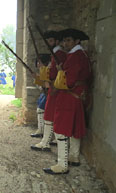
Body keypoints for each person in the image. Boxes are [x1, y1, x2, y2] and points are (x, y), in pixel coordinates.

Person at [43, 28, 91, 175]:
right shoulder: (79, 54)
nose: (66, 43)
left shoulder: (76, 56)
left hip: (69, 95)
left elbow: (69, 81)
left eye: (69, 40)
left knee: (61, 129)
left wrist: (59, 74)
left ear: (77, 41)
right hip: (76, 95)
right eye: (65, 40)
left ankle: (62, 165)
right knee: (74, 128)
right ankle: (74, 156)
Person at [31, 31, 67, 150]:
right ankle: (45, 140)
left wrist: (44, 70)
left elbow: (52, 74)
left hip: (56, 88)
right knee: (47, 115)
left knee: (49, 115)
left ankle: (46, 142)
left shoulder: (59, 54)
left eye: (51, 41)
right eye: (47, 41)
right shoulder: (55, 54)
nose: (48, 43)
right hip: (53, 87)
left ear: (57, 41)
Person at [31, 53, 51, 138]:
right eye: (37, 62)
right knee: (40, 109)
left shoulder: (48, 70)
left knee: (42, 110)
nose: (38, 64)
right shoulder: (43, 70)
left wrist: (38, 79)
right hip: (45, 93)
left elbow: (47, 84)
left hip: (49, 93)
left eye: (40, 62)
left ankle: (45, 133)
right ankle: (41, 129)